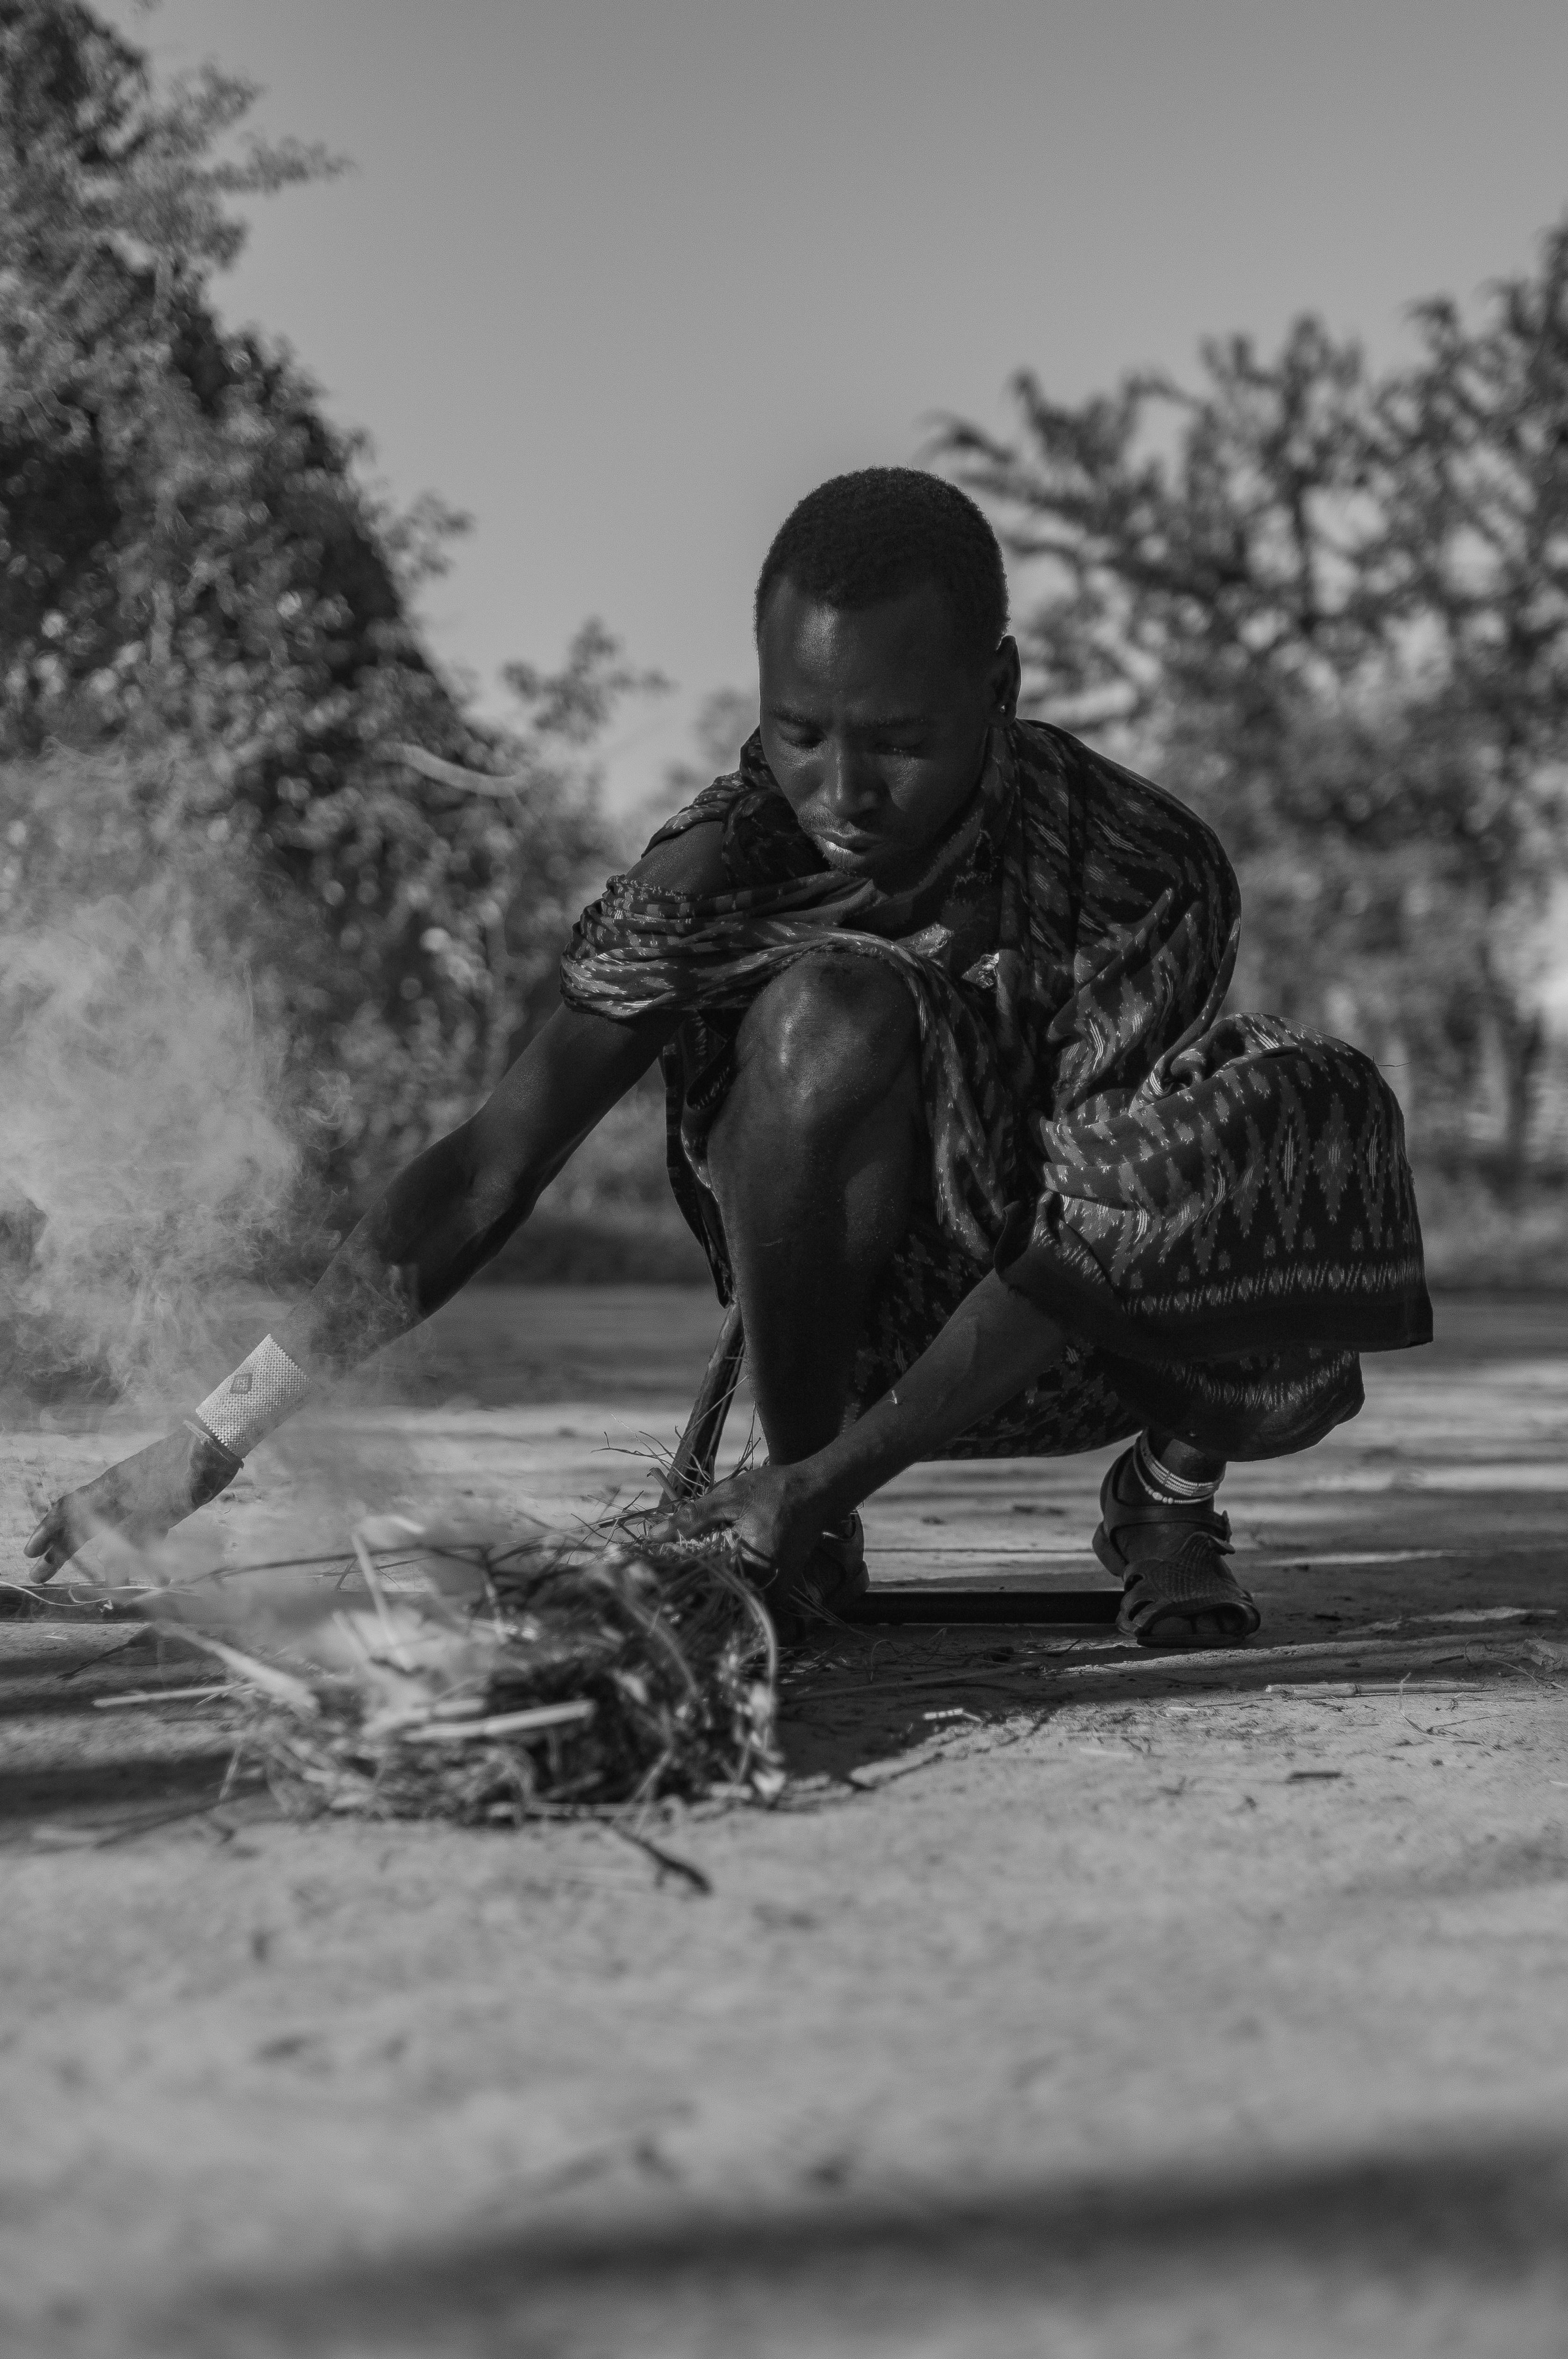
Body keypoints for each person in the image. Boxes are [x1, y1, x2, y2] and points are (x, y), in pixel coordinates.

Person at [26, 469, 1431, 1645]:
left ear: (996, 688)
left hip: (1089, 1328)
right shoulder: (715, 876)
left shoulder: (1139, 865)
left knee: (1305, 1103)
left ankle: (1164, 1507)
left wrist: (833, 1473)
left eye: (897, 742)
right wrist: (212, 1440)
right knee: (826, 1010)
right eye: (797, 732)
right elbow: (487, 1171)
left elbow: (1108, 1222)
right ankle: (809, 1529)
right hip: (852, 1323)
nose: (839, 794)